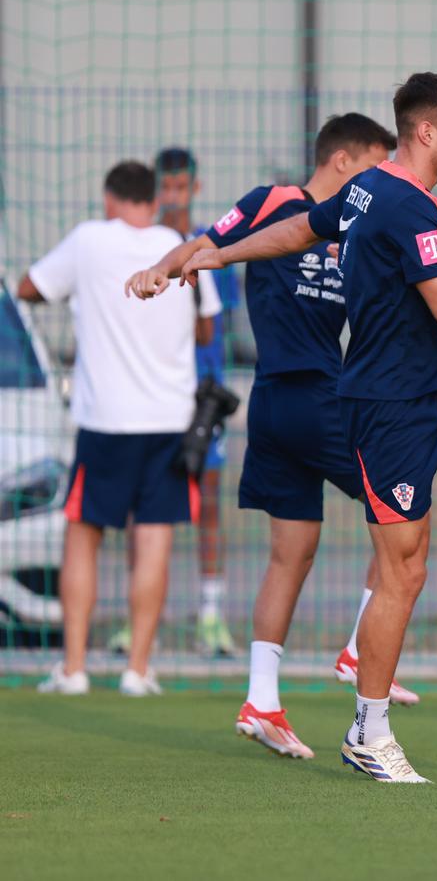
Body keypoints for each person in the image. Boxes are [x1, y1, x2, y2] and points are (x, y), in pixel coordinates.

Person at [182, 73, 437, 783]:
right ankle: (368, 731)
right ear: (425, 132)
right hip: (388, 407)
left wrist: (222, 249)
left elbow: (305, 224)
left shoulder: (373, 190)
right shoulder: (404, 205)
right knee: (406, 569)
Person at [129, 113, 422, 759]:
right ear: (344, 161)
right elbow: (206, 242)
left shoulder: (353, 226)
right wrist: (160, 267)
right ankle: (355, 647)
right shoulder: (277, 203)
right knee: (404, 510)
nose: (383, 177)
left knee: (294, 551)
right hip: (312, 397)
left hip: (278, 408)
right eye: (377, 163)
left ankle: (262, 699)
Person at [24, 161, 221, 697]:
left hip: (105, 420)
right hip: (170, 420)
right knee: (154, 539)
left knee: (83, 538)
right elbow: (207, 331)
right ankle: (137, 669)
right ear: (154, 201)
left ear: (109, 200)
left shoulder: (88, 240)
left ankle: (74, 668)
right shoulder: (181, 243)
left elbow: (29, 286)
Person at [154, 146, 242, 657]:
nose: (172, 198)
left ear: (194, 189)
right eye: (165, 188)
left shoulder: (210, 249)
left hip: (200, 397)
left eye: (180, 188)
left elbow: (213, 328)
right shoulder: (144, 246)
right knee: (149, 508)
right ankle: (148, 617)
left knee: (208, 503)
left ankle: (210, 616)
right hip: (152, 393)